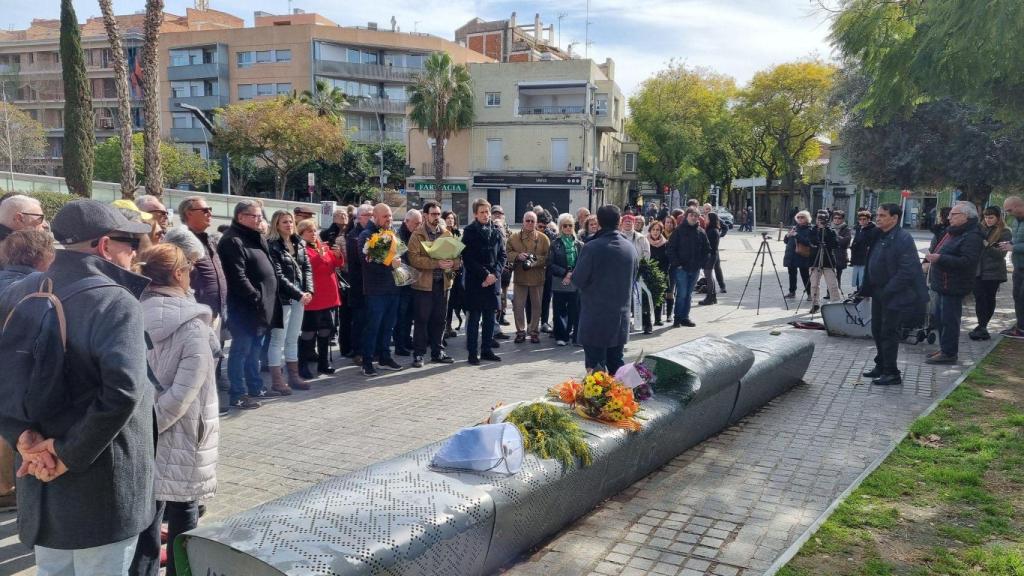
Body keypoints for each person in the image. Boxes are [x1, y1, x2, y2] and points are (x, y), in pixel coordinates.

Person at [0, 199, 155, 573]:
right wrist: (66, 454)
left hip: (39, 474)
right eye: (129, 245)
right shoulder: (114, 299)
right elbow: (123, 392)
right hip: (101, 481)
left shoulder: (17, 291)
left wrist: (22, 438)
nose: (134, 254)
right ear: (104, 246)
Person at [135, 244, 220, 576]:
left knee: (147, 514)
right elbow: (184, 393)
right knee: (184, 507)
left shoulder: (130, 313)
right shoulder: (193, 327)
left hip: (138, 428)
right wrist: (155, 422)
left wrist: (143, 424)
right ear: (179, 273)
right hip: (184, 431)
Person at [218, 200, 279, 410]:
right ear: (240, 216)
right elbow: (237, 276)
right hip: (245, 308)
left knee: (255, 349)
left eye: (260, 216)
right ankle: (238, 393)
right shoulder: (232, 240)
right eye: (254, 216)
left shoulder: (255, 236)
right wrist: (255, 297)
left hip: (262, 306)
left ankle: (255, 387)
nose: (259, 219)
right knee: (240, 351)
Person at [860, 203, 929, 386]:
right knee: (877, 330)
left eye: (882, 215)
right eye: (877, 215)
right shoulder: (880, 234)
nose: (878, 218)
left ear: (895, 218)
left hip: (894, 293)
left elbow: (908, 270)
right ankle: (881, 364)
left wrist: (889, 289)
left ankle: (892, 372)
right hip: (879, 291)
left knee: (889, 332)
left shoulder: (903, 238)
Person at [573, 205, 638, 373]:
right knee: (617, 365)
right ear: (619, 222)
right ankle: (623, 398)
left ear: (599, 223)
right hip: (619, 319)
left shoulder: (591, 247)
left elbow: (578, 280)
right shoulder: (630, 248)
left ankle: (599, 399)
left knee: (595, 370)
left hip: (595, 319)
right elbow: (633, 278)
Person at [923, 202, 984, 364]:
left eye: (954, 214)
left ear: (966, 216)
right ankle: (945, 348)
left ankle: (949, 353)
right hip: (942, 283)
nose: (949, 217)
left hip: (953, 285)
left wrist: (940, 258)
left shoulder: (972, 235)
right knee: (941, 319)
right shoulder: (954, 231)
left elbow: (968, 261)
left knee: (950, 320)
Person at [407, 201, 460, 367]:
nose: (436, 217)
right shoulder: (417, 235)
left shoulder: (446, 234)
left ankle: (438, 352)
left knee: (440, 319)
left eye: (438, 214)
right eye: (433, 214)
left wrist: (453, 263)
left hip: (443, 284)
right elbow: (413, 259)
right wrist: (437, 263)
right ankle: (419, 354)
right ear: (425, 215)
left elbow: (457, 257)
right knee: (422, 320)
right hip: (423, 285)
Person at [267, 211, 313, 390]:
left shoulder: (299, 243)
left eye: (290, 221)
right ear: (276, 224)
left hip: (300, 296)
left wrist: (309, 290)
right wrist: (299, 293)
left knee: (293, 337)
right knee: (278, 338)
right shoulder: (272, 245)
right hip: (283, 297)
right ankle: (277, 380)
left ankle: (294, 376)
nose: (288, 224)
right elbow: (277, 275)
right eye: (284, 222)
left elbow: (307, 268)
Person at [357, 203, 405, 376]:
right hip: (376, 290)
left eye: (390, 215)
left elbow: (400, 255)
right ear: (374, 217)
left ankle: (385, 357)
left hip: (393, 288)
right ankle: (367, 361)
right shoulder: (366, 235)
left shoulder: (393, 233)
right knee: (373, 326)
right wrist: (389, 264)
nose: (389, 219)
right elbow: (367, 263)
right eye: (385, 216)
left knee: (388, 327)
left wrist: (398, 263)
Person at [462, 199, 506, 365]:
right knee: (474, 319)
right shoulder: (469, 231)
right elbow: (468, 258)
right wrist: (485, 275)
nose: (486, 215)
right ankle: (473, 353)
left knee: (489, 318)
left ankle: (487, 350)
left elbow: (502, 255)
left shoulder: (496, 230)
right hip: (477, 282)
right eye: (482, 212)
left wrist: (494, 274)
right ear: (475, 214)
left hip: (492, 281)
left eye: (487, 212)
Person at [299, 219, 344, 376]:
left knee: (326, 331)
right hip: (314, 297)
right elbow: (306, 266)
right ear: (301, 234)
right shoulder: (301, 248)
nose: (313, 234)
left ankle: (323, 364)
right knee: (308, 332)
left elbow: (335, 264)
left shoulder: (322, 246)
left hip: (329, 296)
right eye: (309, 231)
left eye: (314, 231)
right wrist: (320, 256)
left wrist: (338, 256)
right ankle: (302, 365)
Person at [508, 211, 551, 344]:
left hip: (537, 278)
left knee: (537, 306)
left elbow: (549, 258)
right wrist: (517, 256)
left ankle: (533, 331)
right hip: (520, 277)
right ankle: (520, 331)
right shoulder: (514, 237)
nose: (530, 223)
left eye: (533, 221)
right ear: (523, 221)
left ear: (536, 222)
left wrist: (535, 260)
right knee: (518, 306)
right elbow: (507, 253)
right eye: (528, 220)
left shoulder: (544, 239)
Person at [970, 206, 1012, 341]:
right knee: (979, 298)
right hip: (978, 270)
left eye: (991, 217)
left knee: (988, 298)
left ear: (998, 218)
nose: (988, 220)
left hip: (993, 271)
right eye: (986, 217)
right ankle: (981, 326)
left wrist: (986, 244)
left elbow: (1001, 254)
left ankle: (983, 326)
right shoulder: (981, 228)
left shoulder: (1004, 232)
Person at [667, 208, 710, 327]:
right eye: (691, 215)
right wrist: (677, 264)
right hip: (681, 269)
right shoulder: (679, 231)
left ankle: (685, 317)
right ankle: (677, 318)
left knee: (689, 294)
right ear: (686, 216)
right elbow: (671, 249)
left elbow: (707, 250)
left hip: (695, 269)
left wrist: (701, 263)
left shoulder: (701, 231)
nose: (694, 217)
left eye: (696, 216)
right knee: (681, 294)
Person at [549, 213, 583, 346]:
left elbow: (582, 263)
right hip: (560, 281)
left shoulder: (579, 244)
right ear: (560, 227)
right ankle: (561, 336)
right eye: (565, 226)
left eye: (570, 225)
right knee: (559, 310)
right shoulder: (554, 244)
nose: (568, 228)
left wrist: (572, 274)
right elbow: (550, 264)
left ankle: (574, 335)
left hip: (574, 281)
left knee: (575, 310)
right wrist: (565, 273)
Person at [346, 204, 373, 365]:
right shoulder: (353, 235)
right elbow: (358, 259)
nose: (370, 217)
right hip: (358, 285)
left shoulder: (374, 233)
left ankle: (369, 349)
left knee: (370, 320)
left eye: (372, 214)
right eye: (367, 215)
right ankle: (357, 351)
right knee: (359, 320)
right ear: (359, 217)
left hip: (372, 285)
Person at [393, 209, 422, 357]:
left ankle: (406, 339)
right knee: (402, 315)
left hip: (413, 281)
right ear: (407, 221)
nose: (418, 226)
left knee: (410, 314)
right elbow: (401, 259)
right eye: (416, 223)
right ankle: (399, 344)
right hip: (403, 282)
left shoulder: (415, 234)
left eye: (420, 223)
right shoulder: (399, 235)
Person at [807, 210, 841, 314]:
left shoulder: (831, 231)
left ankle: (836, 304)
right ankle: (815, 304)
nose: (819, 221)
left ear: (827, 220)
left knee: (832, 285)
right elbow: (811, 241)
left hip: (828, 261)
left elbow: (835, 244)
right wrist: (818, 232)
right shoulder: (812, 230)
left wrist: (825, 232)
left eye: (822, 219)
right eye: (818, 218)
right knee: (814, 285)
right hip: (815, 261)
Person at [1000, 196, 1024, 339]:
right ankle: (1020, 326)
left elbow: (1017, 245)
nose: (1008, 213)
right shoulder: (1016, 221)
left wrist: (1013, 247)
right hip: (1018, 267)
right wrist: (1008, 243)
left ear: (1018, 206)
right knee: (1017, 297)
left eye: (1009, 210)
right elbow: (1017, 239)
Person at [443, 211, 465, 339]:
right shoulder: (441, 233)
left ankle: (449, 326)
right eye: (447, 218)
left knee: (453, 300)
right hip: (445, 269)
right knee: (446, 300)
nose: (450, 221)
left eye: (452, 218)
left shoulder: (457, 233)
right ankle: (444, 327)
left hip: (457, 271)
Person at [783, 211, 814, 299]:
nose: (800, 219)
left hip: (802, 255)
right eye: (798, 217)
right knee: (791, 274)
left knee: (805, 275)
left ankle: (810, 293)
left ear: (807, 219)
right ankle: (792, 292)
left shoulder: (810, 229)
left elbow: (808, 242)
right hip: (791, 255)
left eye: (802, 217)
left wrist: (796, 235)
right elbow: (785, 241)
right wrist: (788, 236)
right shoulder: (794, 227)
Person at [646, 219, 670, 325]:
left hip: (661, 273)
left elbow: (667, 260)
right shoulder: (645, 241)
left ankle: (658, 319)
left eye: (658, 230)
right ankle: (646, 321)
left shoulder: (665, 243)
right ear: (650, 230)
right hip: (648, 273)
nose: (655, 232)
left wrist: (662, 273)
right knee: (647, 297)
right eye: (653, 229)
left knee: (660, 296)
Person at [849, 210, 880, 292]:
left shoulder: (873, 229)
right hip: (856, 256)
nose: (862, 221)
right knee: (857, 276)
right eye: (860, 219)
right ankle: (858, 291)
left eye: (864, 219)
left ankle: (862, 292)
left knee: (863, 276)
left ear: (868, 219)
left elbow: (873, 243)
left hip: (865, 256)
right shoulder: (859, 228)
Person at [699, 212, 722, 306]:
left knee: (708, 276)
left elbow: (709, 245)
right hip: (712, 255)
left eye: (707, 218)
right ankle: (713, 297)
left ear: (711, 219)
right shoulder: (713, 229)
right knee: (709, 276)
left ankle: (710, 297)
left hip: (711, 255)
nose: (705, 219)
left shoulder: (712, 231)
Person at [832, 210, 853, 289]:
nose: (837, 220)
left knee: (838, 275)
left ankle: (837, 290)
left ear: (842, 219)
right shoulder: (830, 228)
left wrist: (837, 235)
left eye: (839, 218)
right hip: (830, 254)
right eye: (835, 218)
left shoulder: (846, 229)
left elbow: (845, 242)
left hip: (840, 255)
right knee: (830, 275)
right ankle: (829, 291)